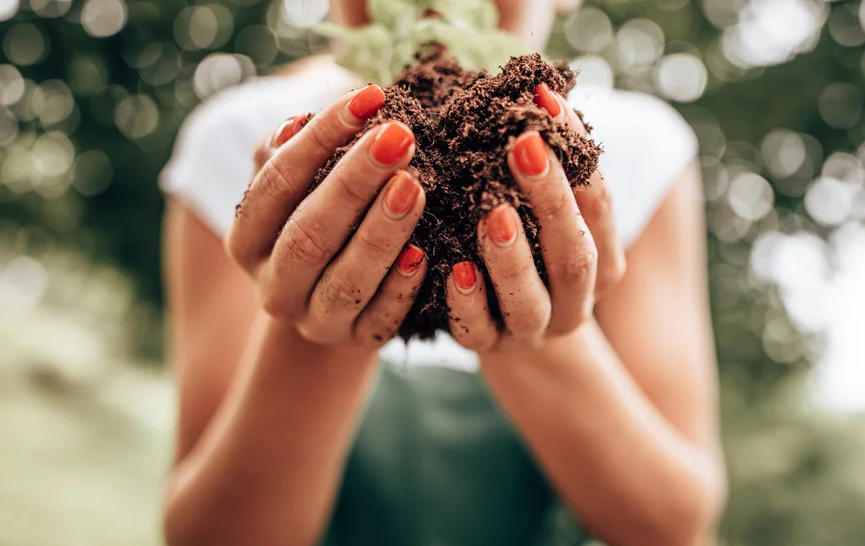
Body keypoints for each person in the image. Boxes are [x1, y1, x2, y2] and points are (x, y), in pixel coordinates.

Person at [159, 1, 725, 544]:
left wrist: (537, 326)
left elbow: (672, 527)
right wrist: (311, 319)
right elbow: (210, 535)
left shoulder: (640, 152)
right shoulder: (244, 145)